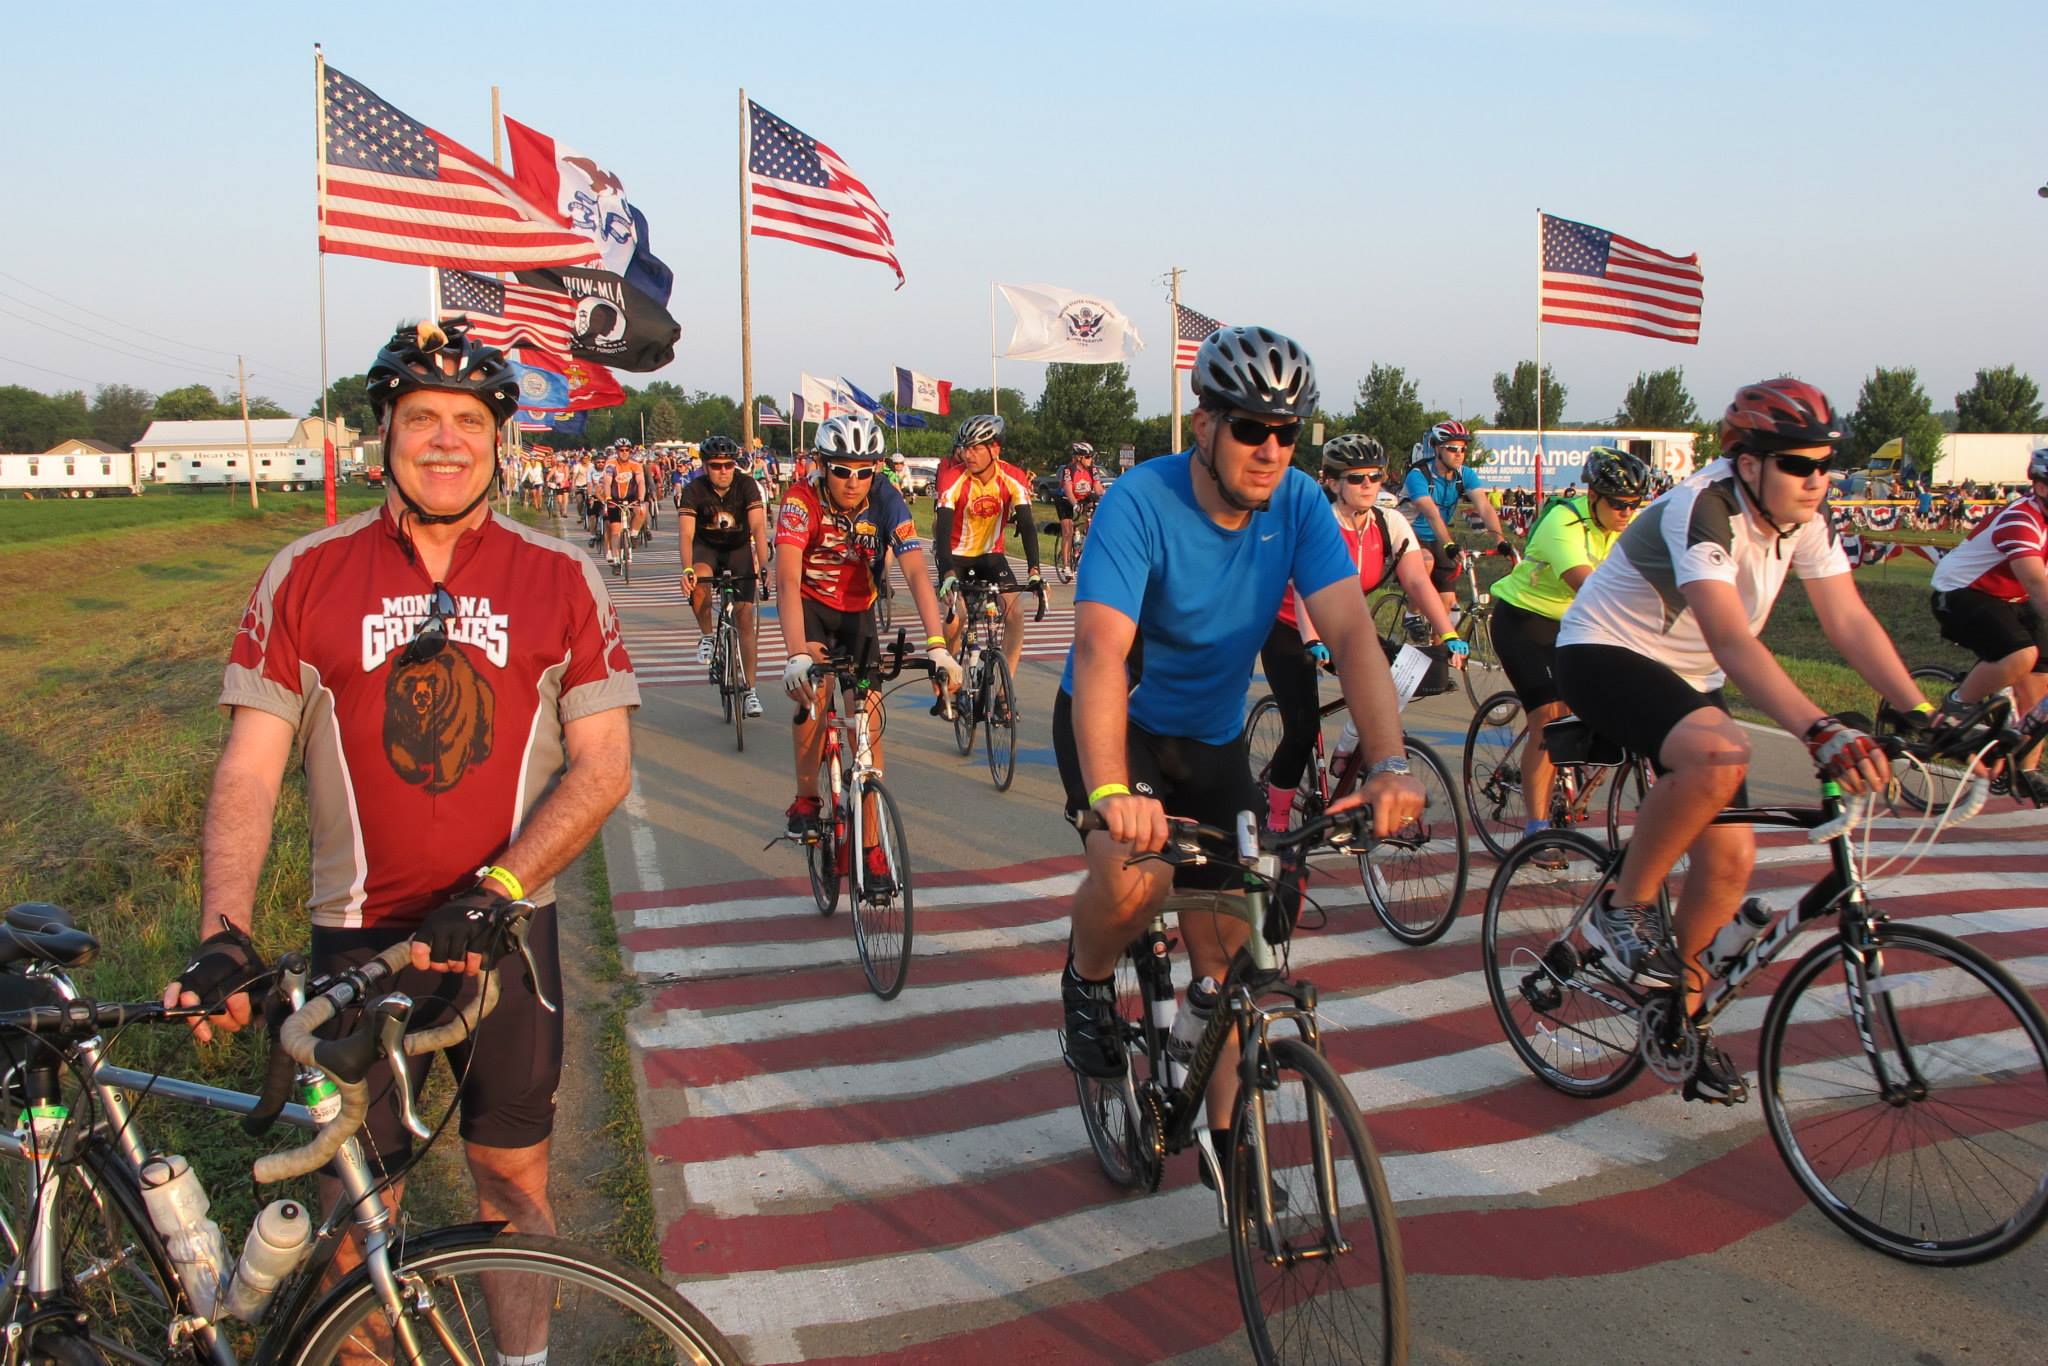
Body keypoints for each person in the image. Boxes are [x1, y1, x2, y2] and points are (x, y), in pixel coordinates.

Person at [164, 319, 638, 1320]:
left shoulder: (559, 576)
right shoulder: (305, 573)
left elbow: (603, 768)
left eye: (468, 419)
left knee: (513, 1186)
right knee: (350, 1204)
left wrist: (500, 885)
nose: (444, 439)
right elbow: (250, 765)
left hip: (505, 936)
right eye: (420, 415)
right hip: (357, 940)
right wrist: (223, 931)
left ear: (498, 437)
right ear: (381, 429)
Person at [1056, 326, 1426, 1182]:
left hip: (1216, 740)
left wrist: (1389, 763)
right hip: (1124, 730)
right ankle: (1087, 977)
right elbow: (1102, 653)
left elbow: (1353, 636)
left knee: (1232, 953)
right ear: (1204, 425)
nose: (1269, 449)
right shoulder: (1137, 503)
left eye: (1286, 432)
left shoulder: (1298, 506)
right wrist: (1113, 788)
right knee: (1137, 875)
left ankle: (1232, 1159)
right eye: (1251, 428)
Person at [1555, 378, 1929, 1103]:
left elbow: (1848, 621)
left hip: (1691, 675)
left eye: (1824, 464)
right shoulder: (1707, 505)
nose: (1816, 480)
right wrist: (1817, 727)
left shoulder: (1805, 522)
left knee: (1730, 862)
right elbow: (1730, 637)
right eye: (1797, 464)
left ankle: (1678, 1024)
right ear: (1748, 462)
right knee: (1720, 751)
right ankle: (1621, 906)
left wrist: (1920, 710)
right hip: (1603, 650)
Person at [775, 414, 961, 877]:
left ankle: (873, 847)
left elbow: (916, 570)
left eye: (864, 470)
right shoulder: (800, 502)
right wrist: (796, 651)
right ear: (822, 466)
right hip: (811, 606)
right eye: (842, 470)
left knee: (870, 715)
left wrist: (937, 645)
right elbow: (786, 579)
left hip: (858, 613)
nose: (853, 481)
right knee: (814, 695)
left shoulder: (887, 499)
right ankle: (806, 796)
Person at [1259, 433, 1463, 831]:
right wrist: (1313, 639)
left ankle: (1350, 746)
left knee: (1405, 675)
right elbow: (1305, 586)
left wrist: (1448, 633)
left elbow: (1418, 583)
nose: (1369, 485)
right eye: (1356, 478)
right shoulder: (1320, 523)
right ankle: (1278, 818)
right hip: (1289, 626)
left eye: (1376, 477)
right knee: (1301, 730)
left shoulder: (1389, 523)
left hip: (1345, 625)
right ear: (1332, 482)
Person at [1488, 446, 1650, 843]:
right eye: (1618, 504)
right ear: (1592, 495)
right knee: (1549, 716)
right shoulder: (1563, 521)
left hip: (1576, 622)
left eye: (1634, 504)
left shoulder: (1633, 524)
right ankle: (1536, 831)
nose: (1627, 513)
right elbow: (1590, 586)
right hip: (1525, 619)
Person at [1928, 448, 2048, 797]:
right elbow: (2037, 584)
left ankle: (2024, 768)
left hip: (2011, 599)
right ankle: (1956, 705)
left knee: (2039, 684)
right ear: (2040, 487)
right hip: (1960, 592)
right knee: (2021, 655)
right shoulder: (2021, 520)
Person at [933, 414, 1044, 693]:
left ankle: (1006, 692)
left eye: (976, 448)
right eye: (965, 447)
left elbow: (1028, 526)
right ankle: (950, 673)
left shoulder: (1013, 477)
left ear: (995, 449)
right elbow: (942, 532)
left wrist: (1034, 572)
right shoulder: (953, 477)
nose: (967, 455)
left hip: (991, 556)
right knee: (956, 617)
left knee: (1015, 612)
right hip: (955, 557)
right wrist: (946, 573)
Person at [679, 434, 772, 720]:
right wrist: (687, 569)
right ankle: (707, 636)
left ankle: (750, 691)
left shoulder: (746, 485)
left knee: (745, 619)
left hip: (738, 548)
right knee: (701, 581)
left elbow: (758, 528)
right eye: (716, 465)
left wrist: (764, 565)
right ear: (705, 466)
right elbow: (686, 533)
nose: (723, 471)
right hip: (706, 549)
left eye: (728, 465)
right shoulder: (694, 489)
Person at [1400, 419, 1514, 613]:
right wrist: (1449, 544)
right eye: (1453, 449)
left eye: (1463, 449)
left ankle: (1439, 643)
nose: (1459, 454)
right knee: (1426, 560)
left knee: (1447, 605)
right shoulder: (1418, 475)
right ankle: (1412, 613)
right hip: (1409, 534)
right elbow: (1431, 513)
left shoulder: (1465, 475)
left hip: (1438, 536)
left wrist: (1500, 540)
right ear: (1436, 449)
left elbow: (1484, 507)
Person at [1055, 442, 1105, 571]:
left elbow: (1098, 489)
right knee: (1067, 531)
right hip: (1065, 499)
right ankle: (1066, 566)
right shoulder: (1069, 470)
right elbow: (1068, 491)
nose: (1090, 459)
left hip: (1083, 497)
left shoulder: (1093, 469)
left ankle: (1080, 540)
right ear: (1079, 457)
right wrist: (1075, 505)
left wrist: (1108, 496)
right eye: (1088, 456)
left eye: (1091, 456)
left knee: (1093, 520)